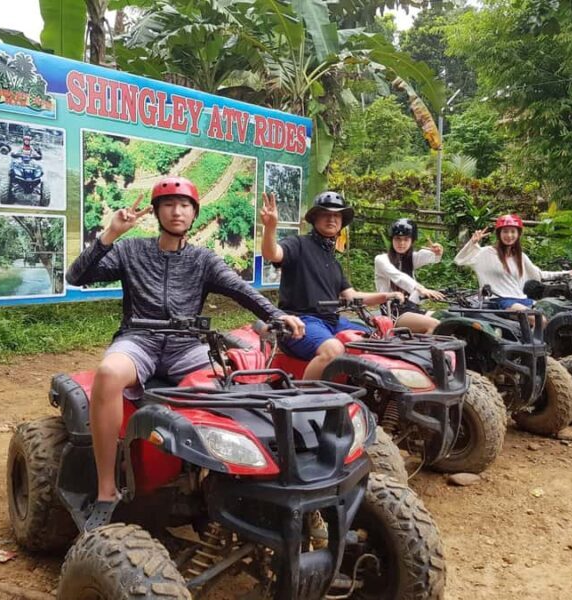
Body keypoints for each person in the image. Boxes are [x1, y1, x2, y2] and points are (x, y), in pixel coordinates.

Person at [66, 176, 305, 531]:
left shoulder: (203, 259)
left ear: (194, 213)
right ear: (157, 212)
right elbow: (76, 276)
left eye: (184, 205)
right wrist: (111, 234)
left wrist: (275, 315)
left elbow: (241, 289)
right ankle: (106, 490)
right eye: (168, 205)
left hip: (186, 346)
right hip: (139, 340)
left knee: (230, 385)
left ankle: (228, 482)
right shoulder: (131, 251)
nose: (176, 212)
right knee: (109, 374)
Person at [260, 190, 404, 380]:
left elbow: (352, 296)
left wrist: (386, 296)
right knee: (333, 350)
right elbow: (272, 254)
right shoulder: (298, 244)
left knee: (378, 341)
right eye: (325, 214)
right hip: (300, 322)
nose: (332, 219)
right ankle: (305, 396)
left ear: (341, 222)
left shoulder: (333, 263)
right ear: (315, 218)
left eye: (337, 215)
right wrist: (270, 227)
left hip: (332, 322)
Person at [454, 213, 572, 311]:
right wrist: (472, 243)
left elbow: (539, 274)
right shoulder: (487, 253)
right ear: (499, 234)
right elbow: (460, 260)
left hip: (520, 298)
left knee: (553, 311)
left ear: (518, 234)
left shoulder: (520, 257)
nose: (509, 235)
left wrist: (568, 273)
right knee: (537, 318)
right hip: (499, 300)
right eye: (505, 231)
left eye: (513, 231)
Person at [374, 218, 445, 334]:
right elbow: (398, 277)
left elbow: (431, 257)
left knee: (447, 319)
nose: (401, 243)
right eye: (397, 239)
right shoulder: (381, 260)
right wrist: (420, 288)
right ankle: (426, 346)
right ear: (392, 239)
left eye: (406, 239)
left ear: (412, 241)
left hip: (412, 308)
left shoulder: (411, 258)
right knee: (435, 325)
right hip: (393, 313)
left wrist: (437, 252)